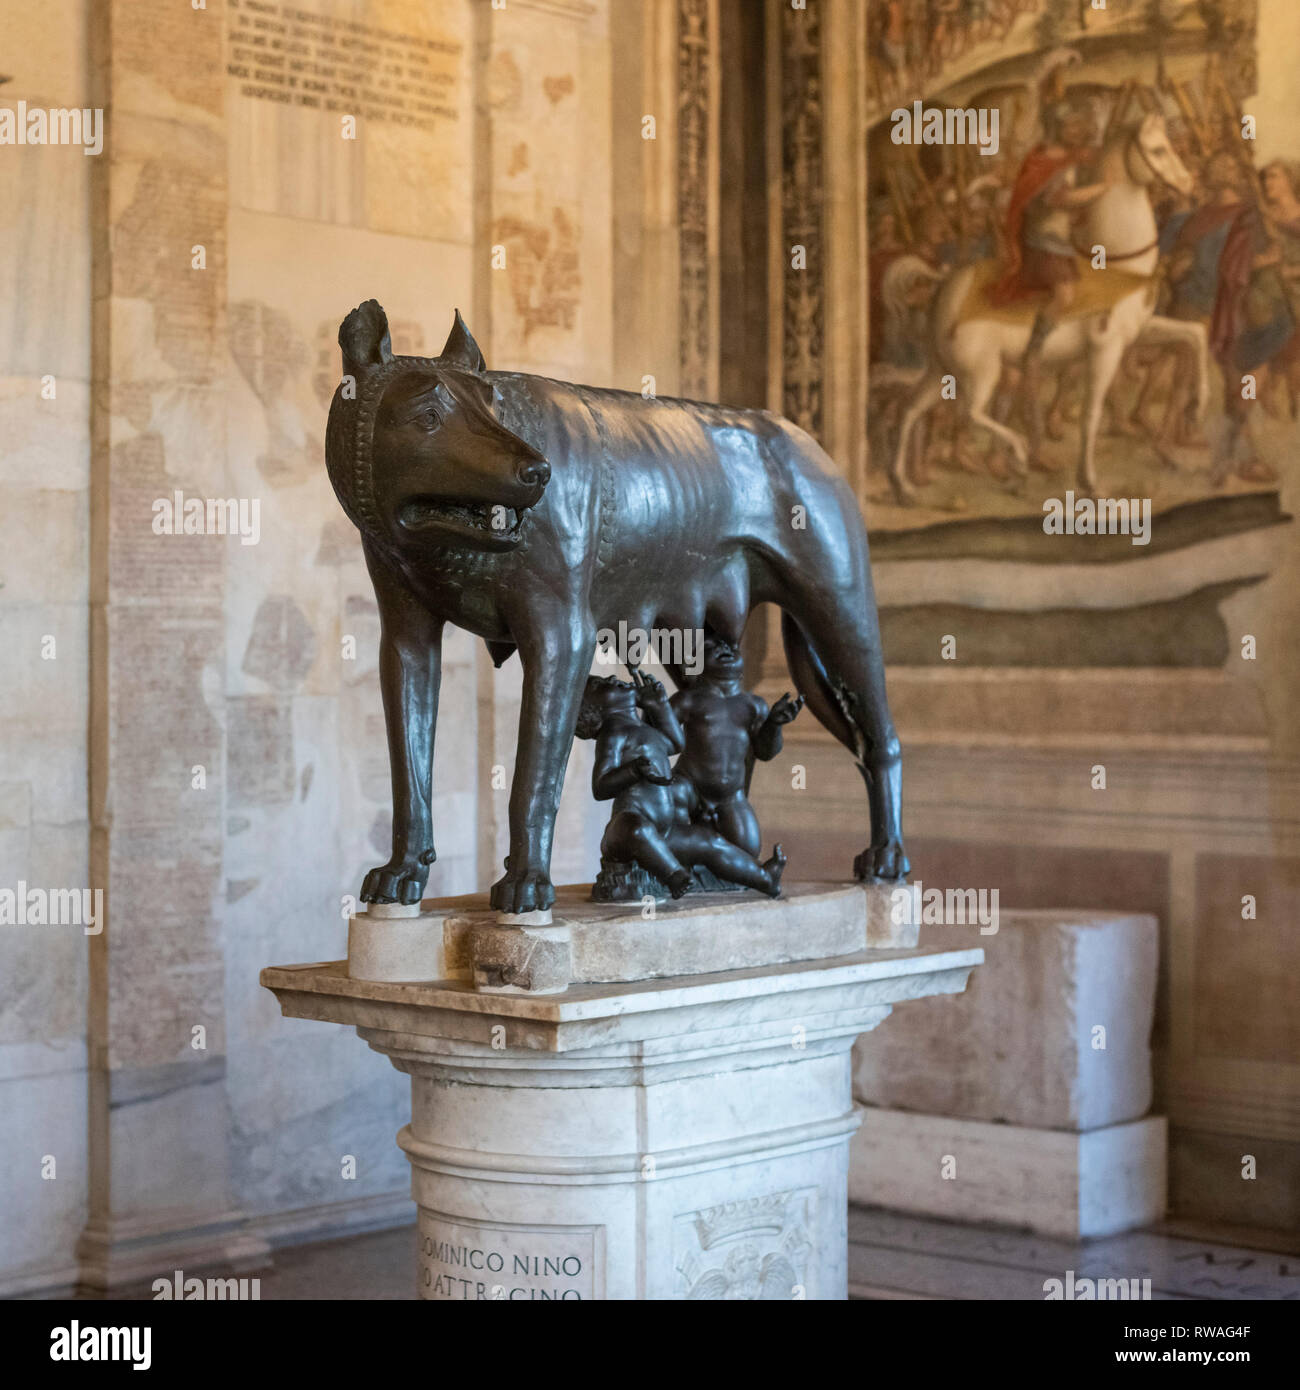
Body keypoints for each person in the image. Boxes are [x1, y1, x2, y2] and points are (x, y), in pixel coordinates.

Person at [994, 102, 1111, 448]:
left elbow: (1093, 156)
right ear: (1056, 127)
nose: (1077, 131)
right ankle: (1037, 344)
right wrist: (1098, 191)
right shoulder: (1045, 158)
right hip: (1043, 243)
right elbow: (1056, 200)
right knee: (1065, 295)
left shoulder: (1066, 157)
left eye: (1080, 125)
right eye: (1071, 125)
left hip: (1062, 243)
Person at [669, 638, 803, 861]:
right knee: (672, 818)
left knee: (747, 853)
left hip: (731, 797)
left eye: (732, 647)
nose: (725, 648)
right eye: (712, 647)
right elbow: (656, 740)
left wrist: (774, 724)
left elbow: (765, 752)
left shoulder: (753, 705)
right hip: (689, 789)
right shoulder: (687, 701)